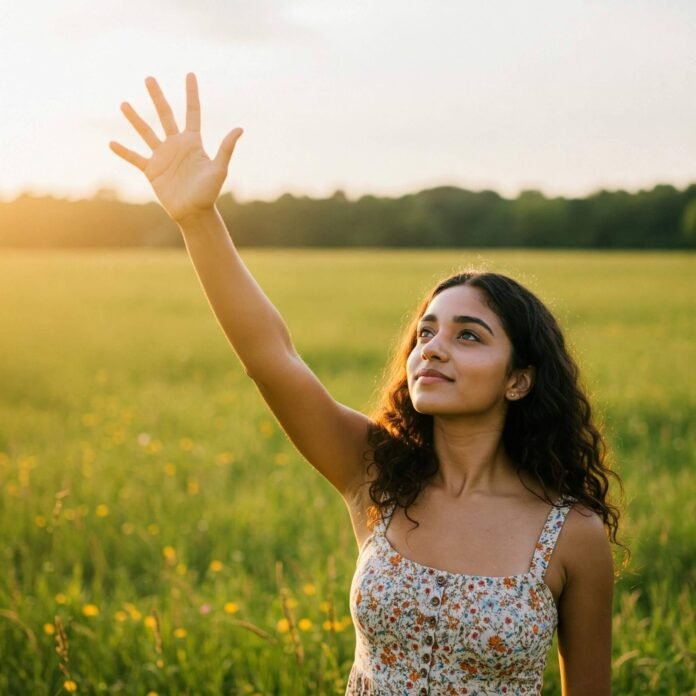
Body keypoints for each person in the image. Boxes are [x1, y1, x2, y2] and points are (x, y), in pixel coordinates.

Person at [110, 73, 624, 696]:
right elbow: (272, 358)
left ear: (519, 380)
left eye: (468, 335)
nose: (433, 347)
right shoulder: (375, 472)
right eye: (426, 332)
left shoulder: (571, 535)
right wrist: (198, 219)